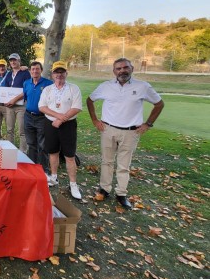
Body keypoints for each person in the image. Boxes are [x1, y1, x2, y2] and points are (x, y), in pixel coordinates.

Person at [86, 58, 164, 209]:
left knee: (124, 165)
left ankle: (121, 193)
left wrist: (148, 123)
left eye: (125, 67)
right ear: (114, 71)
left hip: (130, 131)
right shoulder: (106, 86)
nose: (122, 71)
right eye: (118, 68)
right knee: (106, 161)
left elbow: (159, 104)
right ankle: (104, 189)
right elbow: (90, 100)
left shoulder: (143, 86)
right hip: (108, 129)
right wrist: (95, 120)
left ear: (132, 68)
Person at [38, 61, 83, 200]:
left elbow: (77, 108)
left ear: (66, 73)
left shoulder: (73, 88)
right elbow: (42, 107)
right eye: (56, 72)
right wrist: (58, 117)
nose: (59, 75)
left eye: (62, 72)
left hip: (68, 126)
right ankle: (54, 177)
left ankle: (73, 184)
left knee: (69, 156)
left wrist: (61, 120)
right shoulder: (48, 89)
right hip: (51, 124)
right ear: (52, 75)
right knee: (53, 152)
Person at [23, 61, 53, 174]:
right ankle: (32, 167)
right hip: (28, 117)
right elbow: (26, 97)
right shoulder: (26, 83)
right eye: (33, 69)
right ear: (30, 71)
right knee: (31, 144)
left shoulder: (48, 84)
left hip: (42, 118)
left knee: (42, 144)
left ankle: (43, 169)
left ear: (41, 70)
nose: (35, 71)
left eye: (37, 69)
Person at [2, 53, 31, 151]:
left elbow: (27, 89)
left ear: (19, 61)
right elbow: (5, 88)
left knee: (22, 131)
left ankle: (23, 151)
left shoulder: (25, 73)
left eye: (15, 60)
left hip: (21, 106)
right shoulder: (9, 74)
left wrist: (14, 100)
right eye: (11, 60)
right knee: (10, 130)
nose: (13, 62)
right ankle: (10, 150)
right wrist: (5, 100)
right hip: (9, 106)